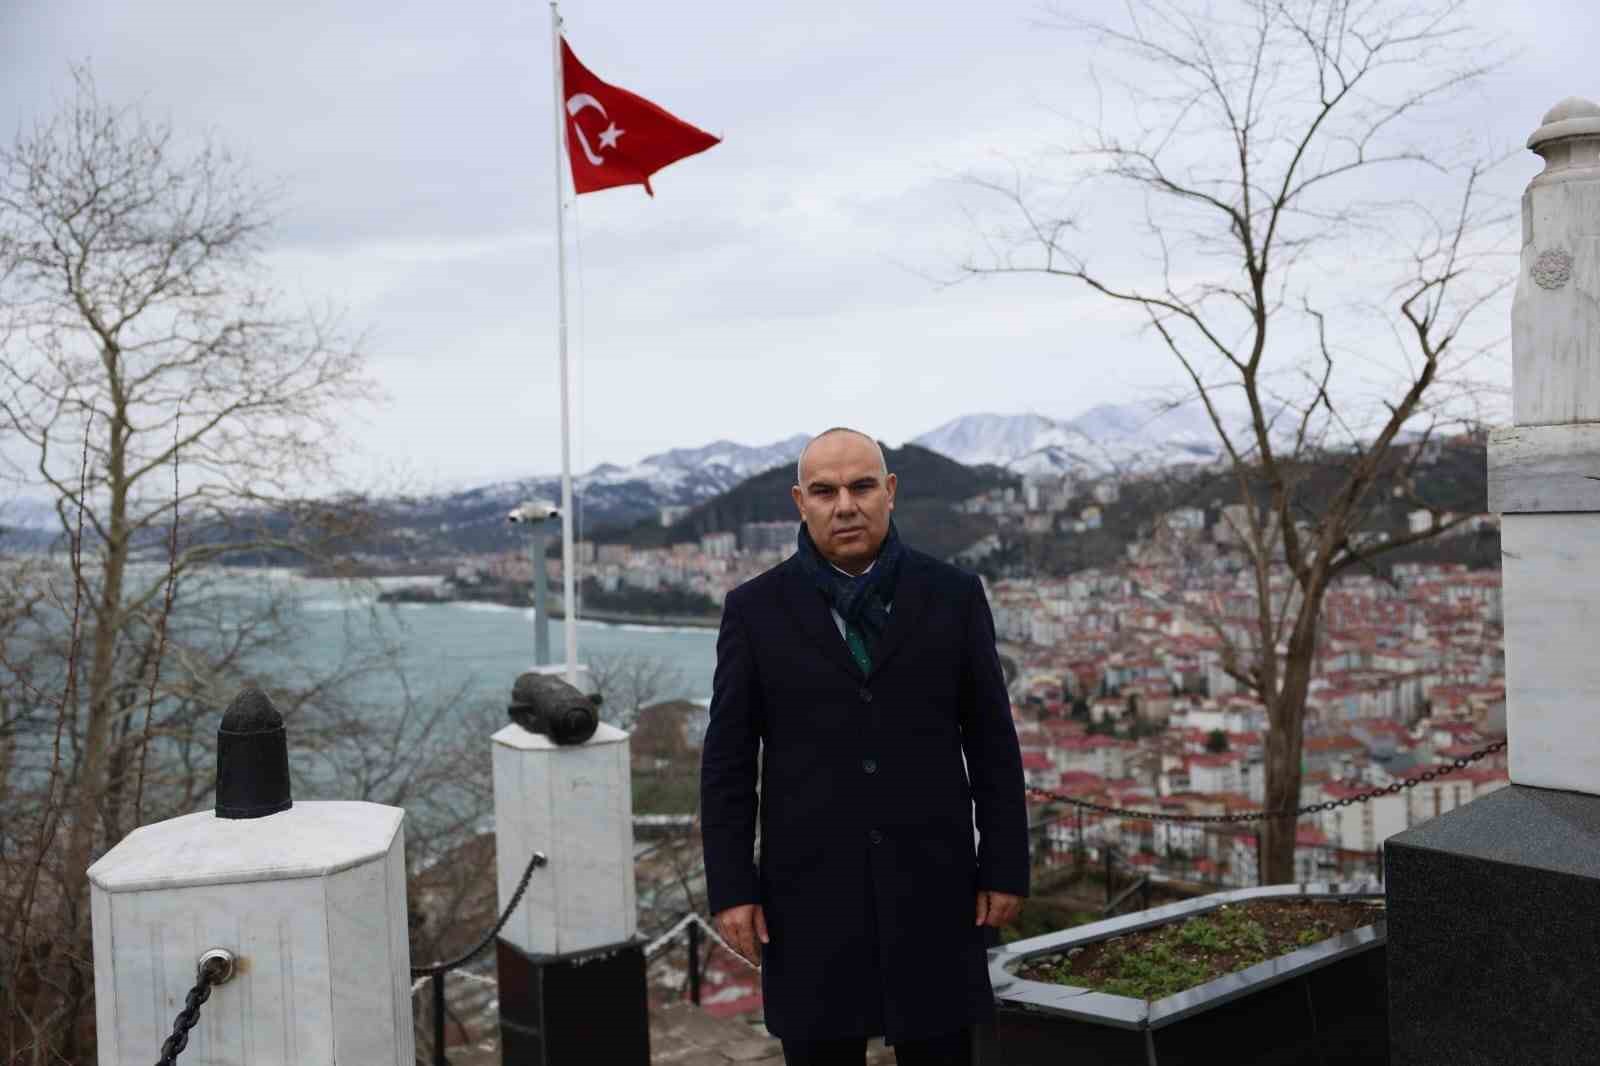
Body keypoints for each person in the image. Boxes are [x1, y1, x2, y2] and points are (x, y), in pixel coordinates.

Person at [699, 427, 1029, 1066]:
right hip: (808, 896)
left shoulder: (954, 595)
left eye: (862, 486)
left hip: (935, 887)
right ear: (800, 502)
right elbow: (728, 764)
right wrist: (732, 886)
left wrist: (1005, 864)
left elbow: (992, 740)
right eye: (825, 491)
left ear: (891, 491)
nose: (845, 505)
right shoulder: (754, 610)